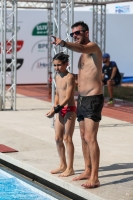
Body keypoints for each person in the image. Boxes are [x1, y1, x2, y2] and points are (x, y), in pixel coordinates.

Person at [51, 21, 104, 188]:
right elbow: (85, 75)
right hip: (82, 98)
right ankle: (88, 170)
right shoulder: (83, 55)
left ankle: (94, 177)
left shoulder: (92, 47)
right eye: (73, 33)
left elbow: (80, 48)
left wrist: (64, 43)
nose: (75, 35)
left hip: (93, 98)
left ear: (86, 33)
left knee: (90, 137)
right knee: (82, 136)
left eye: (78, 33)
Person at [46, 52, 76, 177]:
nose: (57, 68)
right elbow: (58, 94)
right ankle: (62, 164)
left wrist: (56, 109)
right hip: (59, 109)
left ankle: (70, 168)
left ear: (66, 64)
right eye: (55, 65)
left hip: (69, 109)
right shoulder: (57, 77)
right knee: (58, 138)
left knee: (67, 138)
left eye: (59, 65)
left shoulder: (70, 77)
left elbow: (69, 97)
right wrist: (54, 106)